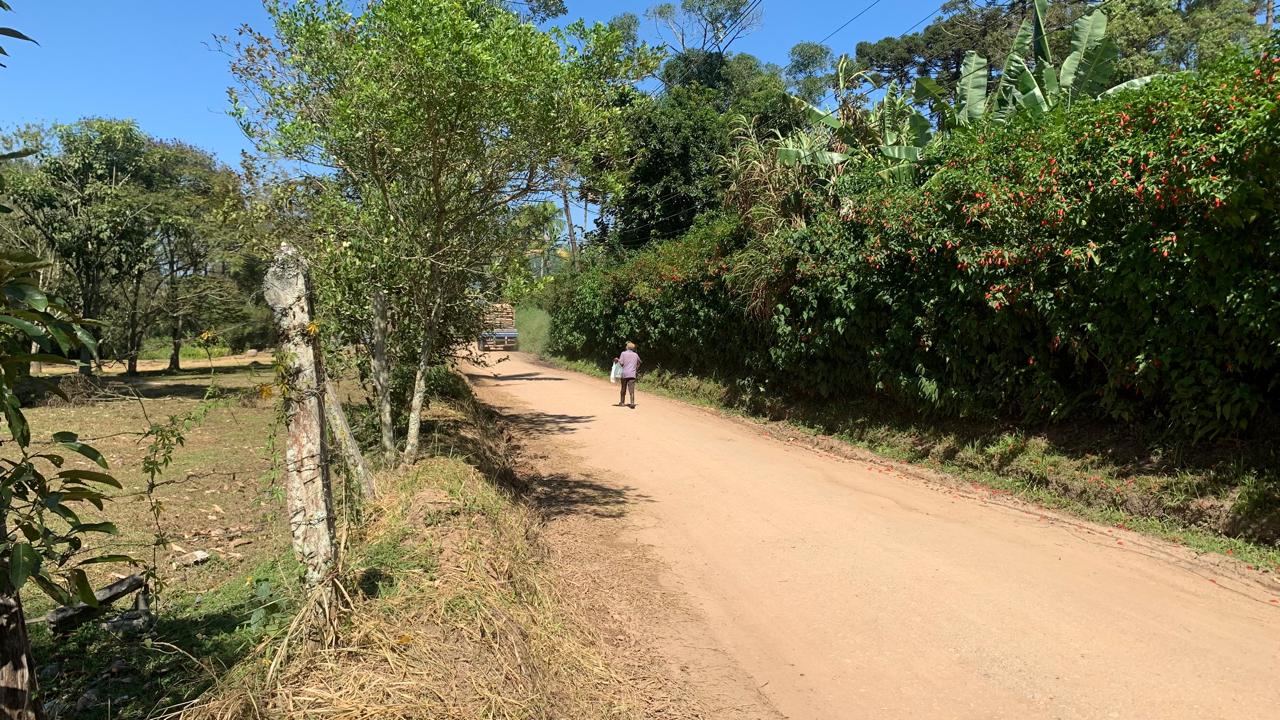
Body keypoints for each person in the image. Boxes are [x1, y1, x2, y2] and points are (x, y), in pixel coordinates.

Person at [614, 341, 641, 408]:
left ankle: (622, 402)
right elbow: (639, 362)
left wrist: (617, 360)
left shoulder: (623, 353)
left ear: (627, 347)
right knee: (631, 389)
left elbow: (621, 363)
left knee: (623, 388)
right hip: (632, 374)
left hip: (624, 374)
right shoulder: (635, 355)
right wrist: (635, 369)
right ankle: (632, 403)